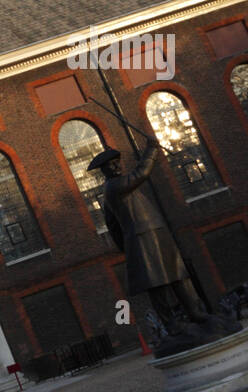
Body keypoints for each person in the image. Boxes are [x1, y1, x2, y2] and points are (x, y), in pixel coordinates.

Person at [89, 137, 229, 342]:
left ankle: (196, 314)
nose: (117, 166)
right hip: (142, 240)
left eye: (117, 161)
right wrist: (151, 150)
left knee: (178, 275)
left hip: (158, 234)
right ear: (104, 171)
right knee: (158, 284)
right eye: (111, 164)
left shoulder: (120, 187)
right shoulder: (114, 187)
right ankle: (172, 325)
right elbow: (142, 173)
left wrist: (125, 247)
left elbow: (111, 225)